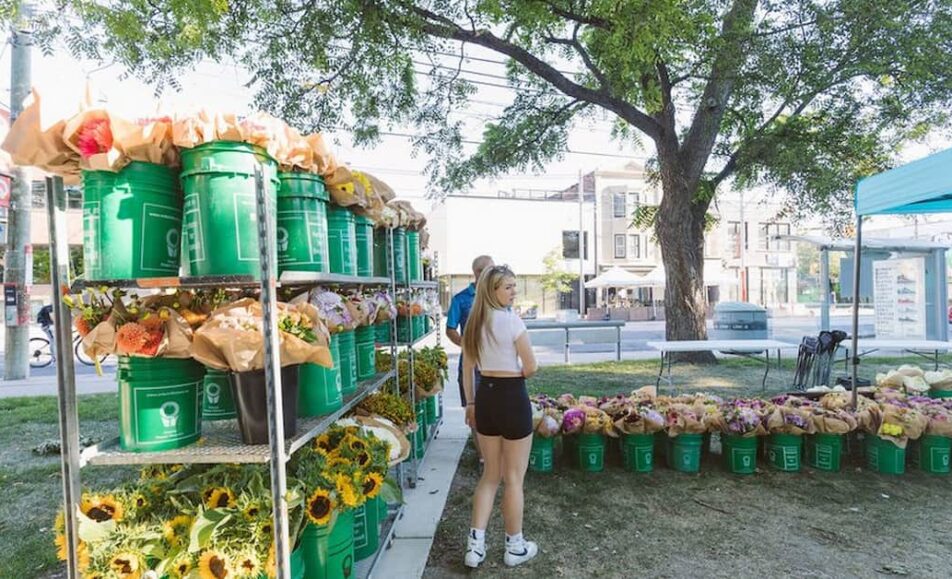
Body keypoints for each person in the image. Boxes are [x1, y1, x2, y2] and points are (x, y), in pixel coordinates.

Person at [461, 265, 539, 569]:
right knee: (514, 479)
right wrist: (516, 375)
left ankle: (475, 548)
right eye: (508, 287)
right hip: (511, 395)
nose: (513, 291)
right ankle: (514, 547)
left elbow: (468, 367)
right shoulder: (512, 322)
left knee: (490, 475)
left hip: (485, 398)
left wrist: (470, 402)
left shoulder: (474, 323)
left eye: (514, 286)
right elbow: (531, 366)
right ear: (492, 290)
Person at [446, 255, 494, 460]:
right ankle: (484, 456)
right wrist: (467, 346)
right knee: (473, 409)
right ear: (478, 272)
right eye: (490, 270)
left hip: (495, 363)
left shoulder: (498, 296)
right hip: (471, 365)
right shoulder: (461, 299)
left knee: (495, 407)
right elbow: (450, 329)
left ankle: (495, 451)